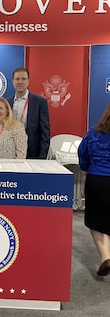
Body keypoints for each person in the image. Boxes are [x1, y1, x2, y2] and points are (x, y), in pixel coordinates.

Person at [78, 103, 110, 276]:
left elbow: (83, 156)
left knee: (96, 220)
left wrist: (86, 172)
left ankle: (105, 256)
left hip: (96, 180)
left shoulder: (92, 134)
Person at [7, 67, 50, 159]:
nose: (20, 82)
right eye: (17, 79)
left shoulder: (39, 102)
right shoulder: (7, 102)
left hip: (32, 150)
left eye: (23, 79)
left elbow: (45, 132)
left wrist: (42, 157)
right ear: (13, 81)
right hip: (10, 149)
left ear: (28, 81)